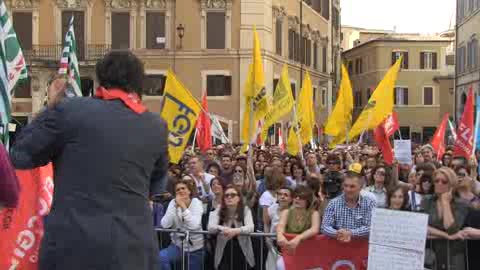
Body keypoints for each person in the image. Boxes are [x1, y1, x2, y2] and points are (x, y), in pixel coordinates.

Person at [10, 51, 168, 270]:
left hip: (72, 249)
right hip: (134, 252)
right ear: (138, 83)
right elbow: (156, 185)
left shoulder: (70, 111)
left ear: (100, 79)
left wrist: (50, 107)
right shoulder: (156, 127)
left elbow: (20, 155)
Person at [422, 167, 470, 270]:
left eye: (444, 181)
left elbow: (452, 230)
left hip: (453, 255)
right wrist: (445, 235)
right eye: (436, 180)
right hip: (430, 253)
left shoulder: (461, 204)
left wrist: (445, 203)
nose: (439, 183)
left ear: (452, 185)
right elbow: (422, 226)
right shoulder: (427, 200)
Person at [159, 180, 204, 270]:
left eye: (183, 188)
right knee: (160, 258)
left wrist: (183, 206)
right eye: (177, 190)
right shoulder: (173, 203)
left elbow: (194, 225)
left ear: (189, 191)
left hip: (195, 249)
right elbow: (165, 224)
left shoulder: (196, 203)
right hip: (177, 246)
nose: (180, 191)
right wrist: (173, 208)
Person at [208, 186, 255, 270]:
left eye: (233, 195)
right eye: (226, 195)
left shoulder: (245, 209)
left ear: (239, 198)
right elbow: (210, 227)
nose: (229, 197)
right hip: (224, 252)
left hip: (242, 251)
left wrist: (236, 231)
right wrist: (223, 229)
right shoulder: (219, 209)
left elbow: (251, 227)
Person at [321, 172, 377, 242]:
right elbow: (325, 227)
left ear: (360, 187)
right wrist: (337, 233)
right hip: (338, 246)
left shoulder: (369, 203)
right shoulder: (333, 203)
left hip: (361, 247)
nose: (348, 189)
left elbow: (370, 227)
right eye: (345, 185)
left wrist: (350, 233)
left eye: (352, 186)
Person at [276, 185, 320, 270]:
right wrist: (280, 235)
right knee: (280, 265)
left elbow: (314, 229)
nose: (297, 199)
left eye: (301, 197)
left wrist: (298, 238)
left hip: (308, 253)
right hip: (290, 253)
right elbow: (280, 226)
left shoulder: (314, 213)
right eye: (295, 196)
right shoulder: (286, 212)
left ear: (308, 200)